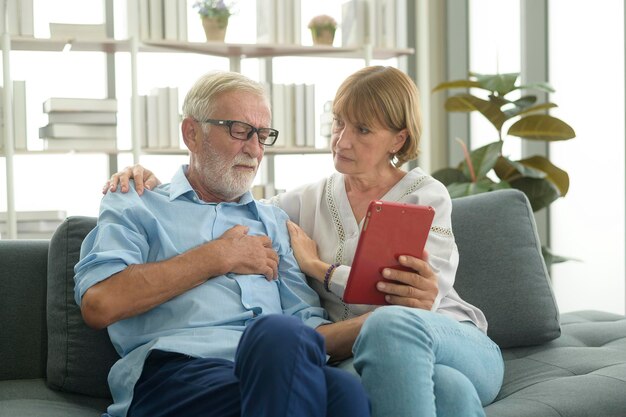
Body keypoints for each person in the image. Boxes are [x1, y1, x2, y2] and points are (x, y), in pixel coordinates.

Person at [104, 66, 505, 417]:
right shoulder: (291, 207)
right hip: (342, 352)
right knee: (446, 391)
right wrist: (145, 179)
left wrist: (320, 270)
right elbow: (220, 202)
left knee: (383, 330)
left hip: (437, 332)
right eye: (338, 123)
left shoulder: (424, 196)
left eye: (362, 130)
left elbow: (414, 305)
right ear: (191, 132)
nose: (342, 141)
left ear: (397, 140)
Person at [76, 70, 371, 417]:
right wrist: (217, 256)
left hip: (270, 369)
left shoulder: (274, 222)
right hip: (177, 373)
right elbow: (100, 303)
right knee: (282, 339)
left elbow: (308, 331)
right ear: (192, 133)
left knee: (343, 387)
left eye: (262, 135)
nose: (255, 149)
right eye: (240, 131)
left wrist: (387, 320)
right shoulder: (136, 203)